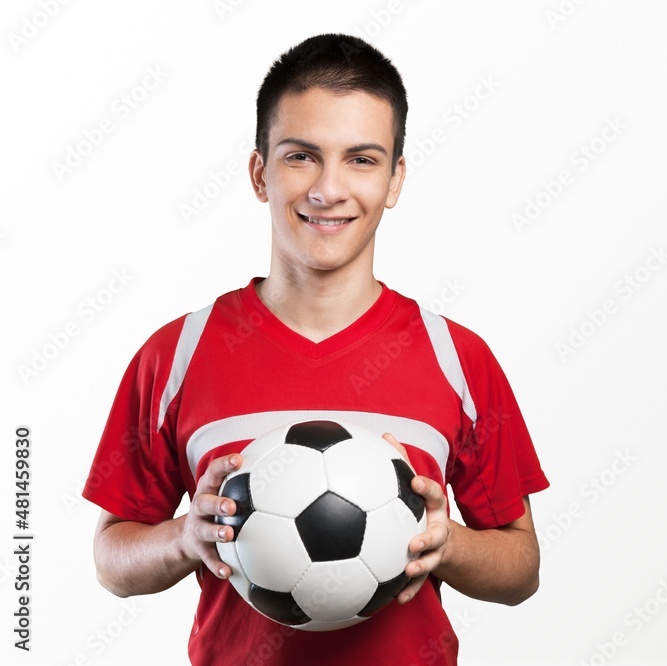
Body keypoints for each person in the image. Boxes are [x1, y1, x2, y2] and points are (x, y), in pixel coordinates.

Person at [83, 33, 548, 666]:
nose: (329, 190)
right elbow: (111, 560)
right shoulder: (176, 354)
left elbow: (522, 568)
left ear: (394, 179)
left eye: (361, 159)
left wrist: (450, 545)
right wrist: (182, 539)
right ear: (259, 172)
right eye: (302, 156)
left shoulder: (457, 357)